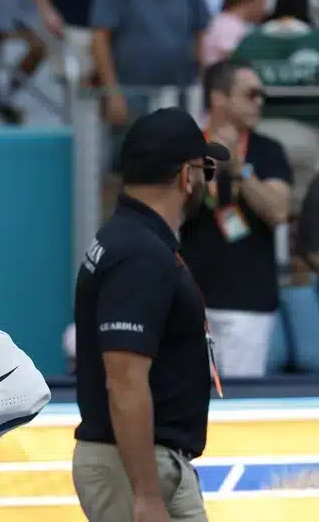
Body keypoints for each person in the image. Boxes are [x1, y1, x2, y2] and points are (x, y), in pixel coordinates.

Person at [72, 107, 229, 522]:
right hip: (135, 467)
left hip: (142, 462)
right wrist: (146, 494)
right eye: (204, 169)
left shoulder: (129, 238)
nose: (205, 181)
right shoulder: (140, 253)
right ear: (186, 175)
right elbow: (125, 379)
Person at [181, 60, 292, 378]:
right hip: (190, 300)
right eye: (250, 94)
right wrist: (206, 170)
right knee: (186, 394)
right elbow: (175, 209)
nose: (259, 102)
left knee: (240, 396)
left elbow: (278, 212)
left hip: (247, 302)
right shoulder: (187, 148)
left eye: (261, 95)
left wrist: (240, 169)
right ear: (219, 98)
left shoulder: (268, 150)